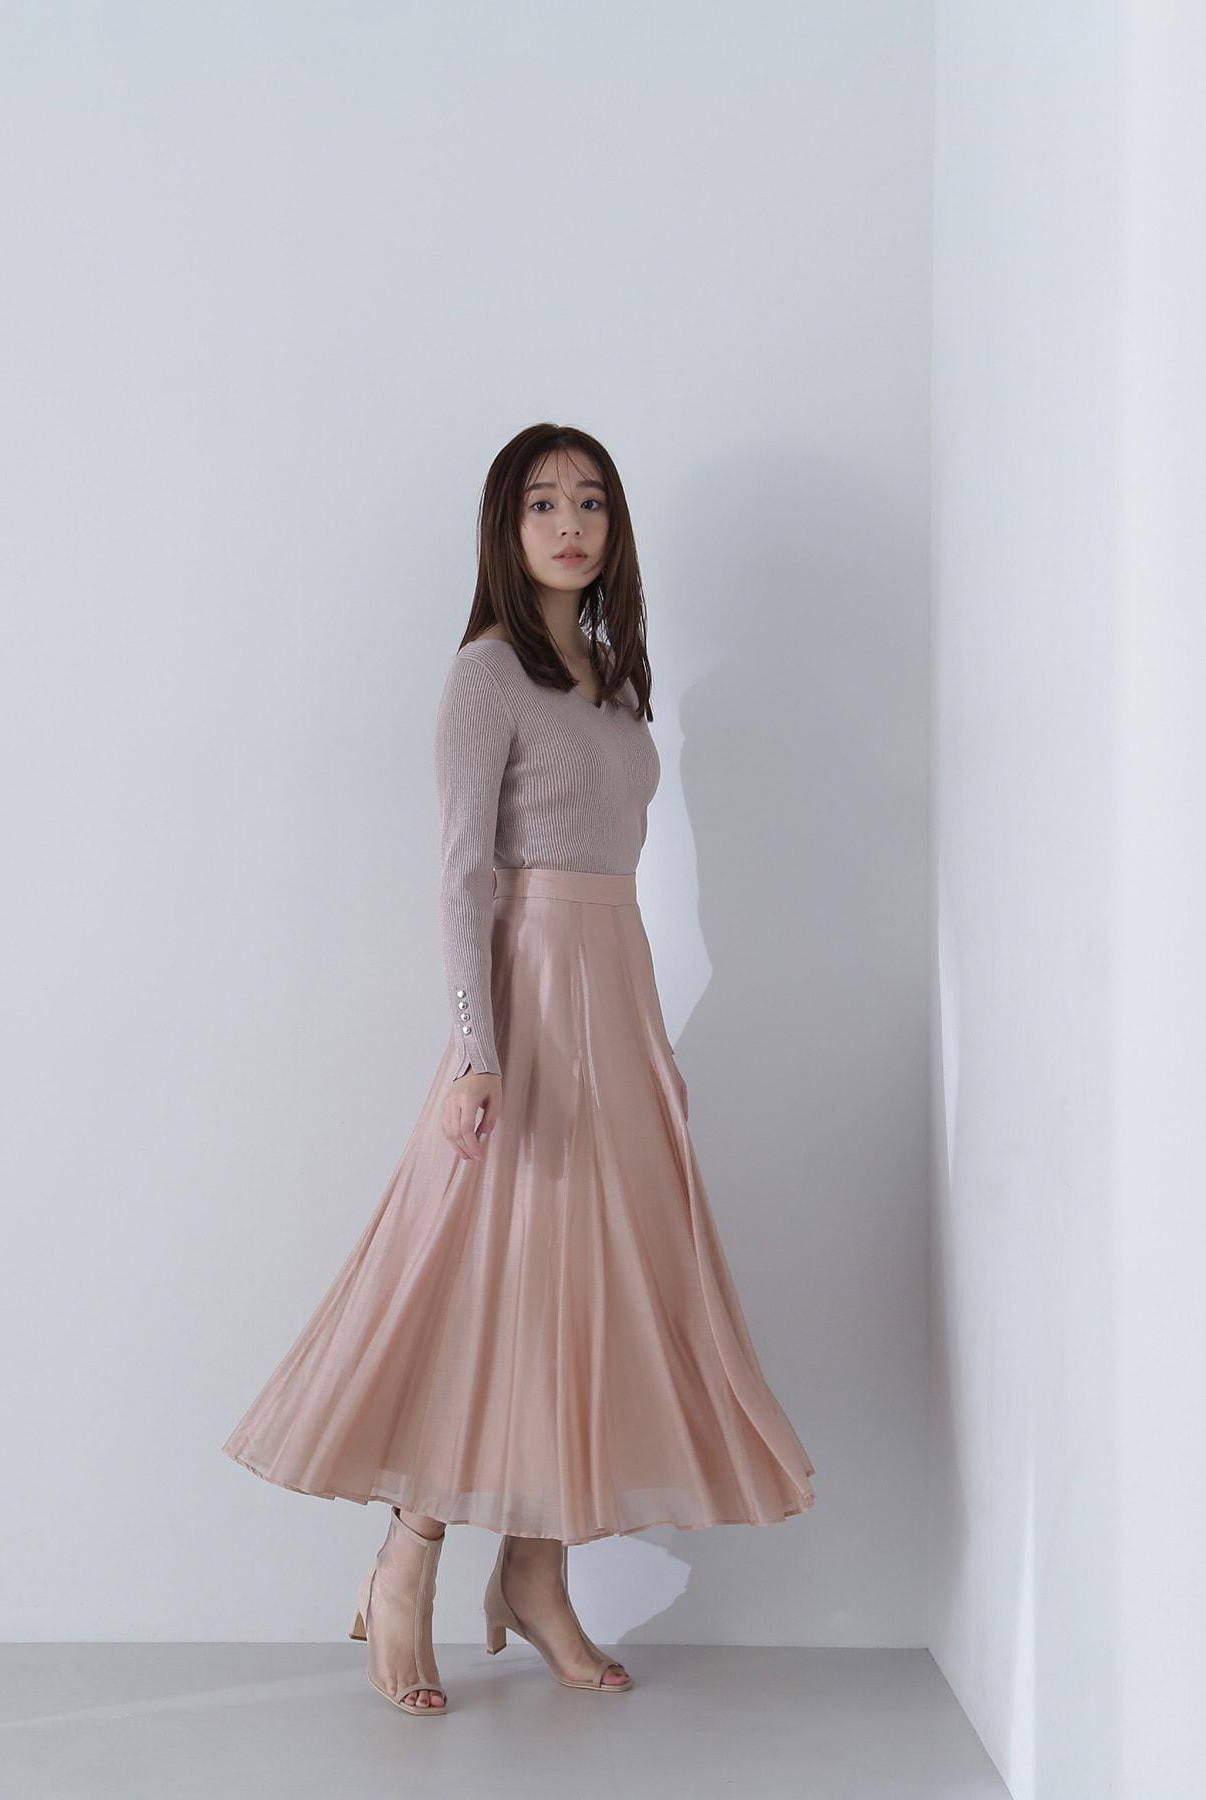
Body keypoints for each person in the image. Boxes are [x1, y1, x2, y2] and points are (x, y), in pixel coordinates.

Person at [221, 423, 816, 1715]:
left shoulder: (612, 677)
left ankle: (538, 1574)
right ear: (506, 527)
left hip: (618, 993)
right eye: (543, 503)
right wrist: (478, 1051)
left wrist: (648, 1040)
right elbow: (461, 874)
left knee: (595, 1281)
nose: (570, 524)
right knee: (488, 1273)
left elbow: (619, 877)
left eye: (591, 502)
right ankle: (409, 1553)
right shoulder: (487, 672)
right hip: (530, 995)